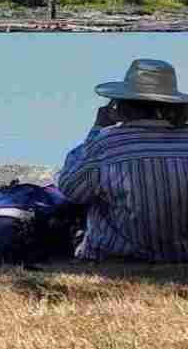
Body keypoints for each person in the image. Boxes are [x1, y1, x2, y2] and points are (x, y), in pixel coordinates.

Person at [56, 59, 188, 262]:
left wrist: (96, 130)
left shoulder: (107, 142)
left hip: (120, 256)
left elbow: (71, 189)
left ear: (121, 104)